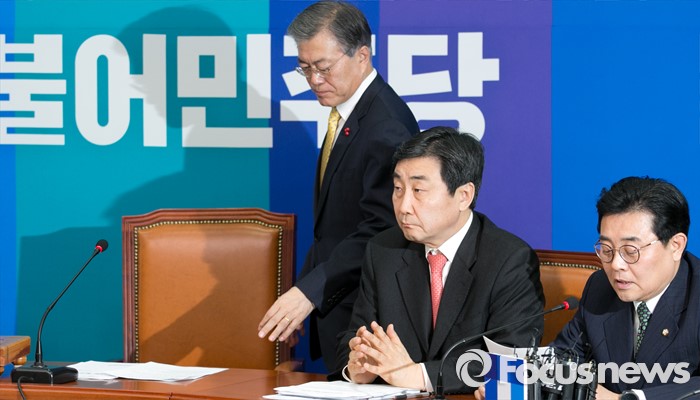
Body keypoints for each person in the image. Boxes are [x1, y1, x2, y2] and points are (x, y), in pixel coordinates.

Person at [257, 0, 419, 370]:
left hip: (367, 318)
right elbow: (332, 228)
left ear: (362, 56)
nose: (314, 80)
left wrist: (309, 293)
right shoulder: (350, 113)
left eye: (323, 67)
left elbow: (383, 229)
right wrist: (303, 294)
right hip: (338, 306)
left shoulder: (386, 126)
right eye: (305, 68)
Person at [334, 126, 545, 394]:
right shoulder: (383, 250)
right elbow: (355, 335)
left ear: (463, 196)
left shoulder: (509, 260)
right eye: (398, 188)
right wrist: (357, 364)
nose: (403, 206)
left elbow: (511, 361)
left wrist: (419, 375)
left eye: (418, 190)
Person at [547, 177, 700, 400]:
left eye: (630, 251)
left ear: (676, 246)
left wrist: (627, 399)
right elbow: (563, 357)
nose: (616, 264)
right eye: (606, 249)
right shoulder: (600, 287)